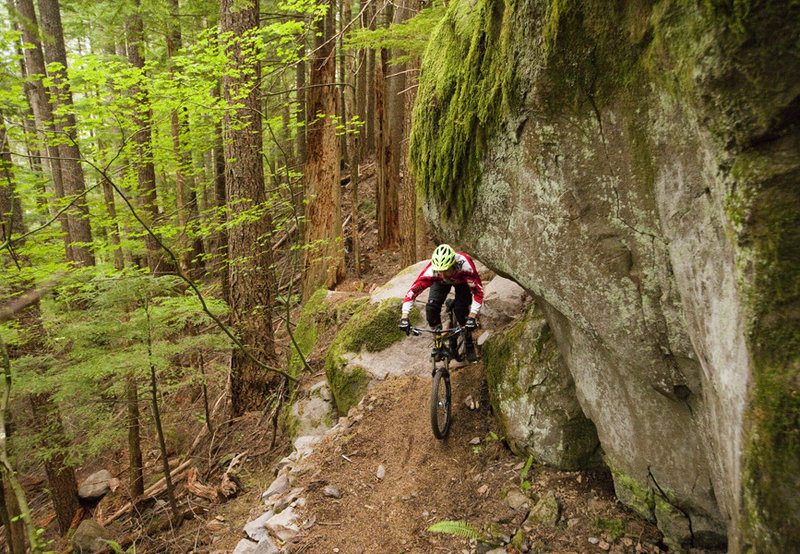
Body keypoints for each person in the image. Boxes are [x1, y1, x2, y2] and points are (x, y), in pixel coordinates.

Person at [398, 244, 483, 362]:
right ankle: (439, 344)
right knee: (431, 309)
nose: (442, 274)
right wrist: (404, 317)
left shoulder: (465, 266)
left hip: (462, 282)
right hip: (440, 284)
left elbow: (478, 292)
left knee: (461, 310)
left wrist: (472, 317)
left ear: (453, 265)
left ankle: (468, 343)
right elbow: (412, 292)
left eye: (445, 271)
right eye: (439, 271)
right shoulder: (433, 271)